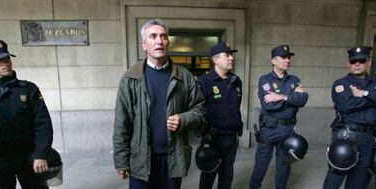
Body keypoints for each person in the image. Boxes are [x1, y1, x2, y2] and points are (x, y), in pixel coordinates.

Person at [112, 18, 206, 189]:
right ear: (144, 45)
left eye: (163, 37)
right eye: (153, 36)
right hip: (140, 159)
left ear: (168, 43)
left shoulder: (184, 76)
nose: (159, 41)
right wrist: (121, 161)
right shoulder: (130, 78)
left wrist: (183, 119)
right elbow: (121, 123)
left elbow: (199, 110)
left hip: (173, 159)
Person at [0, 39, 54, 189]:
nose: (6, 62)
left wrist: (41, 154)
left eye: (7, 58)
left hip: (28, 157)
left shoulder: (28, 89)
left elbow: (43, 124)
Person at [249, 45, 308, 189]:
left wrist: (281, 97)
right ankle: (254, 187)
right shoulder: (265, 79)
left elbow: (302, 100)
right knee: (261, 163)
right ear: (274, 61)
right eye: (284, 57)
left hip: (288, 129)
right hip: (269, 129)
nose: (287, 60)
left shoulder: (294, 79)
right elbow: (268, 105)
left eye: (289, 57)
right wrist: (291, 98)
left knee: (284, 164)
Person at [323, 46, 376, 189]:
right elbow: (346, 106)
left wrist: (361, 96)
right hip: (346, 136)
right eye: (353, 61)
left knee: (358, 182)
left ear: (369, 62)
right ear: (349, 63)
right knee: (335, 178)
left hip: (367, 138)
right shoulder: (341, 84)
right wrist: (372, 98)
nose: (357, 64)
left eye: (361, 60)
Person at [197, 41, 242, 189]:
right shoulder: (204, 81)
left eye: (231, 55)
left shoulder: (236, 81)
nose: (231, 58)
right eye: (227, 55)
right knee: (208, 174)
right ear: (215, 60)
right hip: (213, 139)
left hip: (231, 138)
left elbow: (236, 106)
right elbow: (198, 111)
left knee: (227, 175)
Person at [350, 56, 376, 189]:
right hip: (372, 136)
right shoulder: (372, 86)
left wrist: (364, 94)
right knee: (363, 173)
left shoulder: (369, 90)